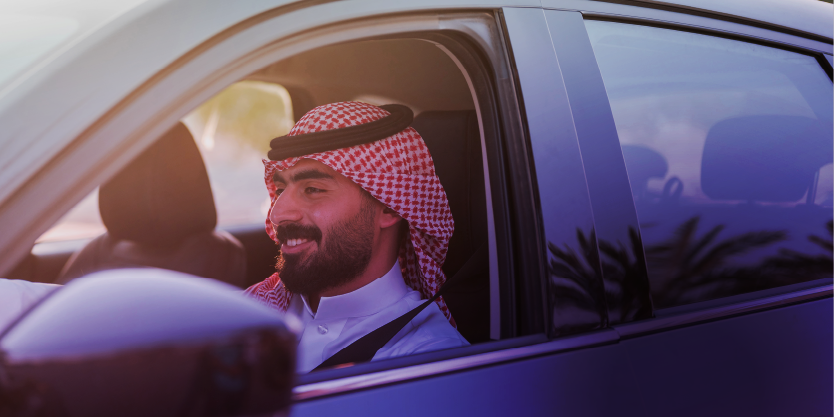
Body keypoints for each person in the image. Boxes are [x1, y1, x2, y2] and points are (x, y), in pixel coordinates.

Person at [244, 101, 469, 373]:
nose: (277, 214)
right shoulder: (253, 308)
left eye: (313, 189)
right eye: (280, 190)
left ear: (389, 206)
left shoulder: (427, 360)